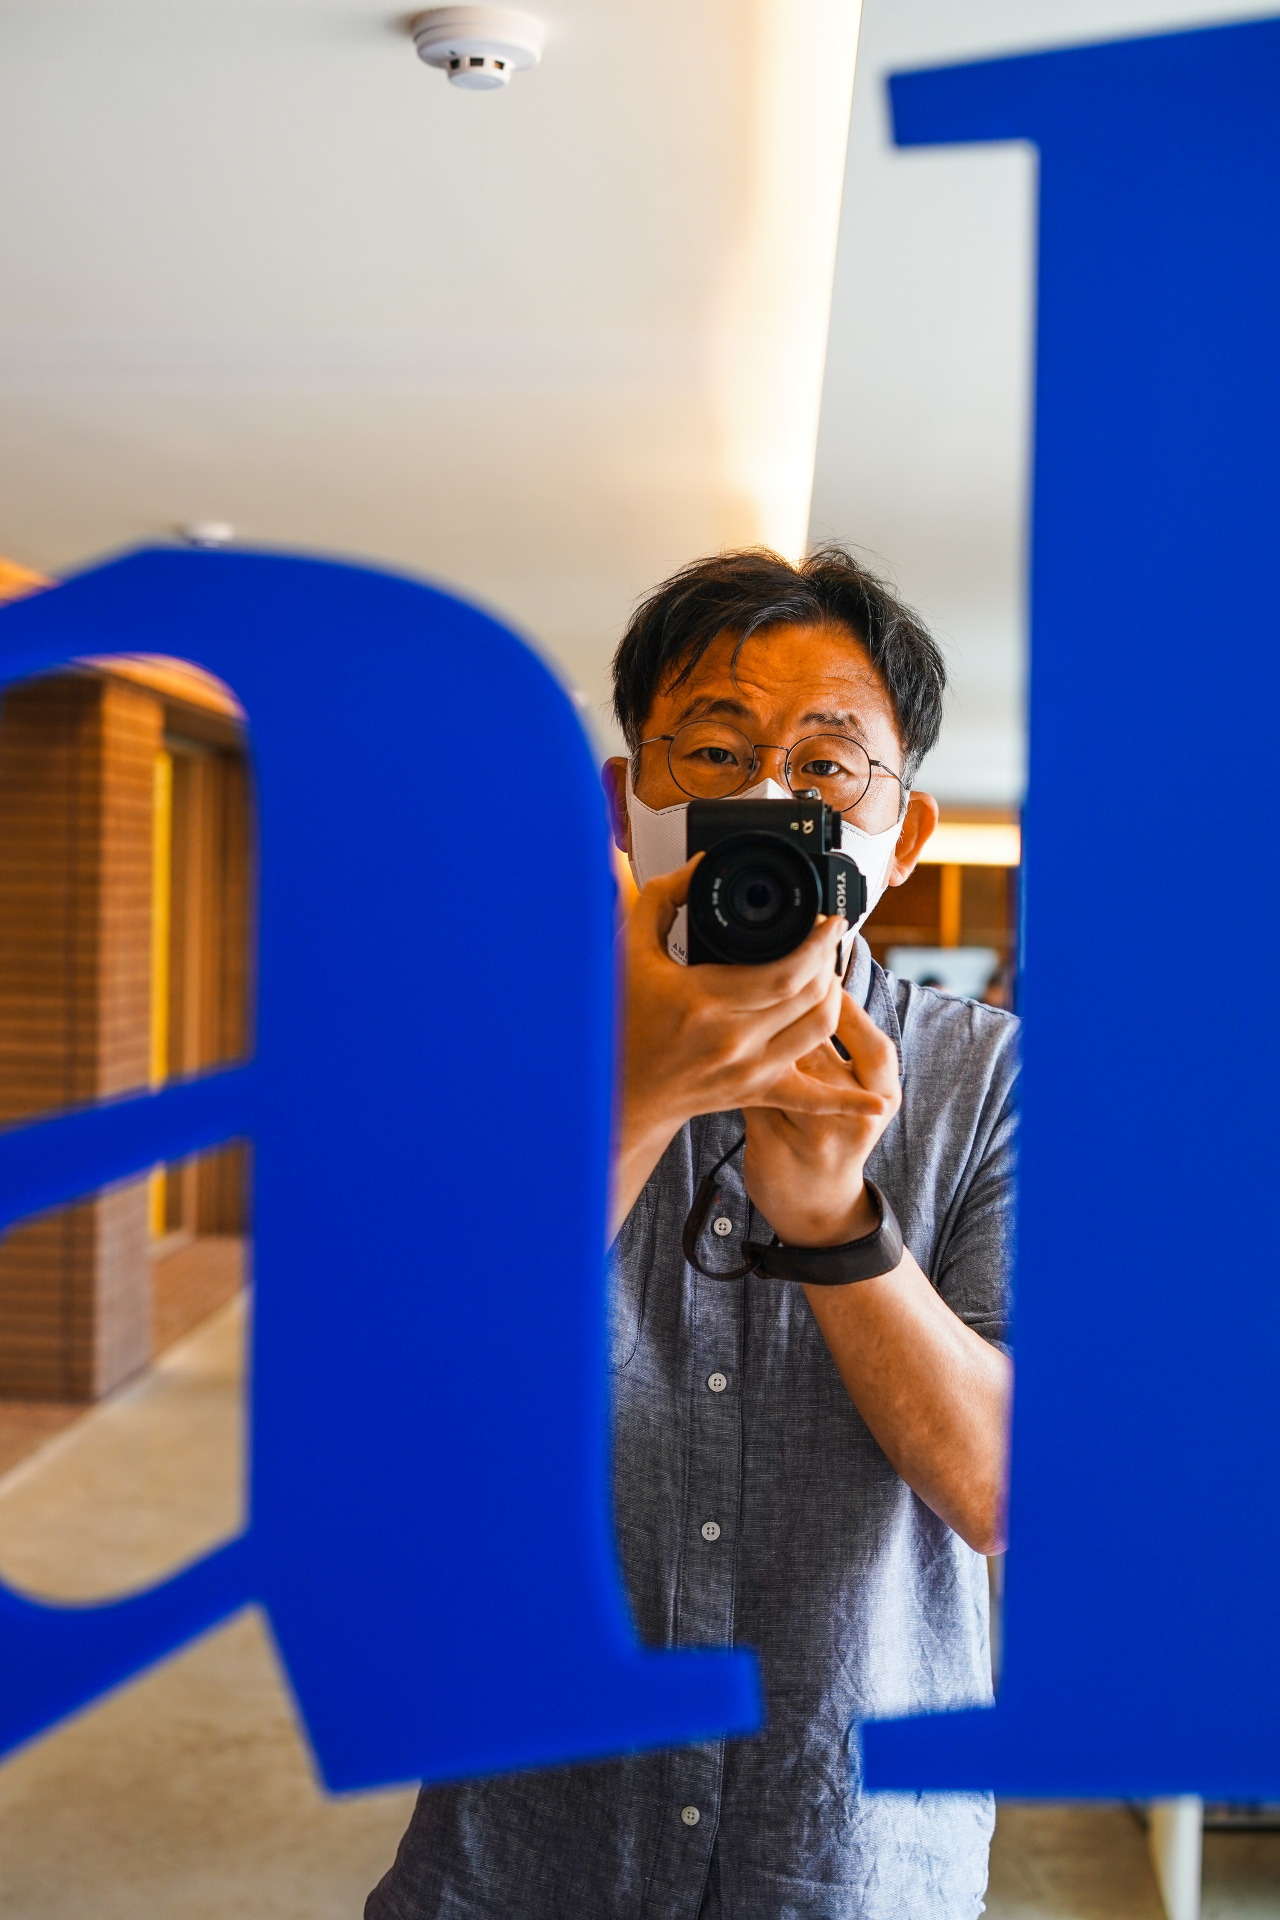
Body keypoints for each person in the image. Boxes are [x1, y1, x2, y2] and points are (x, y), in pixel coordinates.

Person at [367, 546, 1018, 1920]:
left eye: (828, 764)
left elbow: (1014, 1493)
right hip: (521, 1849)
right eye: (716, 753)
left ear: (903, 838)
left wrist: (840, 1229)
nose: (769, 802)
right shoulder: (479, 1052)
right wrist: (630, 1104)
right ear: (630, 802)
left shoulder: (1003, 1082)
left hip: (848, 1860)